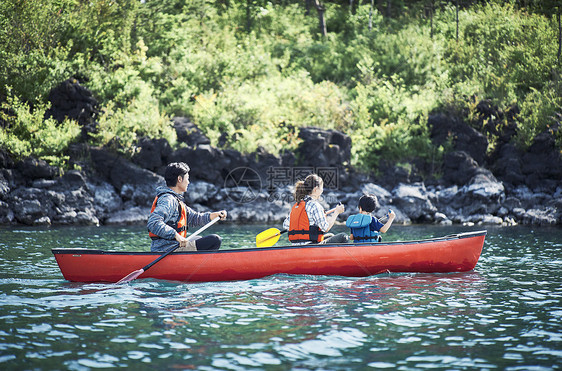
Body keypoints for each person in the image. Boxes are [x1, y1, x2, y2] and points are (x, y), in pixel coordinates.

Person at [147, 162, 227, 252]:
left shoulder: (176, 200)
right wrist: (175, 235)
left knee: (198, 238)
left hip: (174, 246)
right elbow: (153, 222)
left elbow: (195, 218)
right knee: (214, 240)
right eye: (187, 179)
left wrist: (215, 215)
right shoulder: (168, 200)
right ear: (180, 179)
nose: (188, 182)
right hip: (167, 250)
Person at [282, 174, 348, 244]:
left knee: (330, 236)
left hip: (296, 246)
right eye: (322, 188)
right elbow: (326, 228)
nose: (322, 191)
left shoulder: (297, 205)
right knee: (343, 236)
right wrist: (336, 212)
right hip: (310, 246)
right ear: (316, 189)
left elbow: (285, 225)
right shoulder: (315, 205)